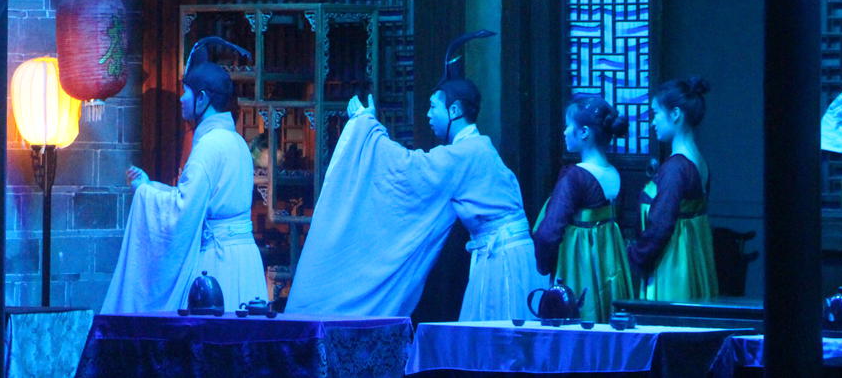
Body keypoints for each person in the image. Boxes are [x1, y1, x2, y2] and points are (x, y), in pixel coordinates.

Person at [287, 31, 545, 319]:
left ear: (455, 110)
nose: (428, 115)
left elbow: (409, 168)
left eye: (434, 107)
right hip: (504, 252)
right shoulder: (474, 149)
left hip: (503, 258)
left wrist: (366, 126)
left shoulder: (468, 152)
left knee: (500, 336)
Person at [102, 37, 266, 312]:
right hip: (245, 258)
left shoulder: (209, 146)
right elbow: (198, 198)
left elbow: (184, 208)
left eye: (186, 92)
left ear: (202, 98)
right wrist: (152, 185)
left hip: (218, 264)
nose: (181, 99)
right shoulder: (236, 141)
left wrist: (143, 192)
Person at [532, 96, 633, 322]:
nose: (564, 132)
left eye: (569, 126)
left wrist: (543, 264)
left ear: (584, 132)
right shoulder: (615, 174)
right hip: (611, 265)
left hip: (579, 266)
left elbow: (548, 233)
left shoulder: (575, 176)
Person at [627, 76, 718, 301]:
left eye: (656, 113)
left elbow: (661, 223)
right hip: (692, 257)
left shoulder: (676, 167)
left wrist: (634, 255)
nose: (653, 122)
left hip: (673, 263)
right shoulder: (697, 159)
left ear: (675, 114)